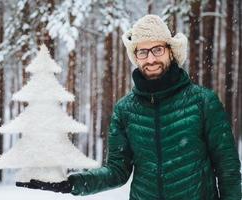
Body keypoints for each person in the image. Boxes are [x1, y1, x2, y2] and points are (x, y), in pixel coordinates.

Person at [16, 14, 241, 199]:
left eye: (157, 50)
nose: (150, 59)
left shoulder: (203, 102)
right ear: (136, 57)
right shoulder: (125, 110)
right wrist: (72, 182)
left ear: (170, 52)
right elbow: (116, 171)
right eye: (142, 52)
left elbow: (228, 168)